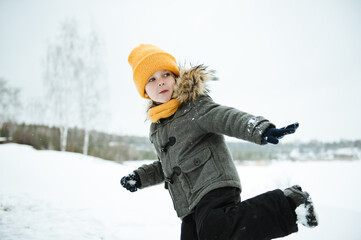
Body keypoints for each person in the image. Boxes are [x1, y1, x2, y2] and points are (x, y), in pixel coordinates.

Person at [121, 44, 318, 240]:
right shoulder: (157, 128)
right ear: (145, 90)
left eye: (166, 75)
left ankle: (290, 203)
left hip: (213, 184)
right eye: (152, 79)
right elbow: (167, 165)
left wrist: (259, 129)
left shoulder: (194, 106)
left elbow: (225, 117)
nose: (161, 82)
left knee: (214, 230)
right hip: (188, 203)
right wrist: (140, 177)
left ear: (175, 77)